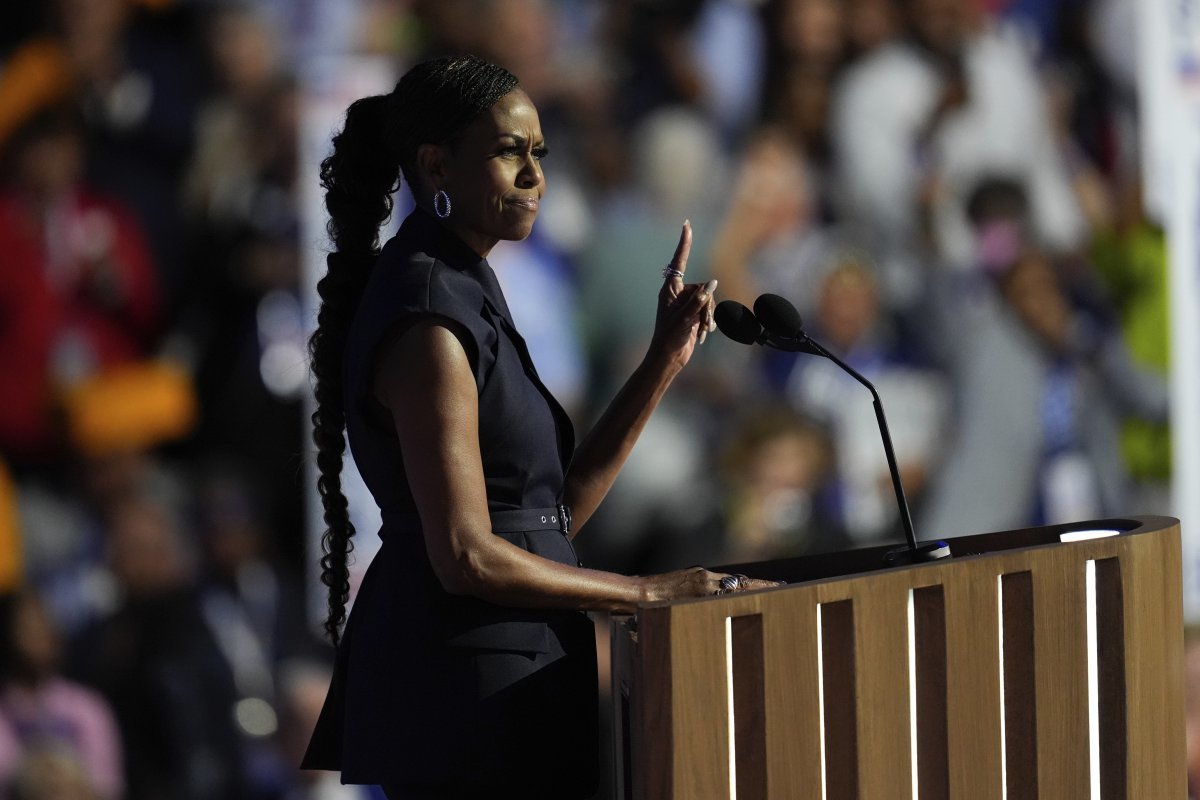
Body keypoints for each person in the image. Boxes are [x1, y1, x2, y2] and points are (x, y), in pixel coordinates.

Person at [300, 55, 776, 798]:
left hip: (520, 679)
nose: (535, 176)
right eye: (508, 151)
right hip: (464, 694)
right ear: (436, 165)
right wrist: (645, 594)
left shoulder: (464, 285)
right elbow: (465, 554)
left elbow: (550, 518)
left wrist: (662, 362)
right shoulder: (427, 314)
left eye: (540, 154)